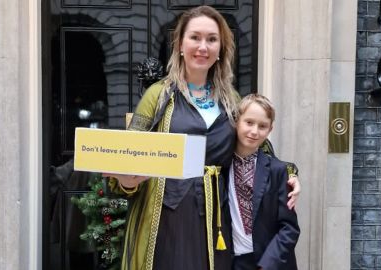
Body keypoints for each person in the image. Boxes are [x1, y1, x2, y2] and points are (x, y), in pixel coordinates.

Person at [105, 5, 300, 270]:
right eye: (195, 37)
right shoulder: (158, 95)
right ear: (180, 44)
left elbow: (258, 147)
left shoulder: (230, 99)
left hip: (217, 218)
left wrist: (289, 175)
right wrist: (127, 181)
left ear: (221, 49)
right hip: (166, 218)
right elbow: (130, 155)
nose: (203, 46)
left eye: (211, 39)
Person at [229, 94, 300, 270]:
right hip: (232, 261)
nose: (254, 131)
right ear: (237, 121)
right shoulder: (221, 166)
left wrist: (268, 265)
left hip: (269, 262)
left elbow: (289, 228)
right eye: (249, 122)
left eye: (262, 126)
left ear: (270, 129)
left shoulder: (278, 171)